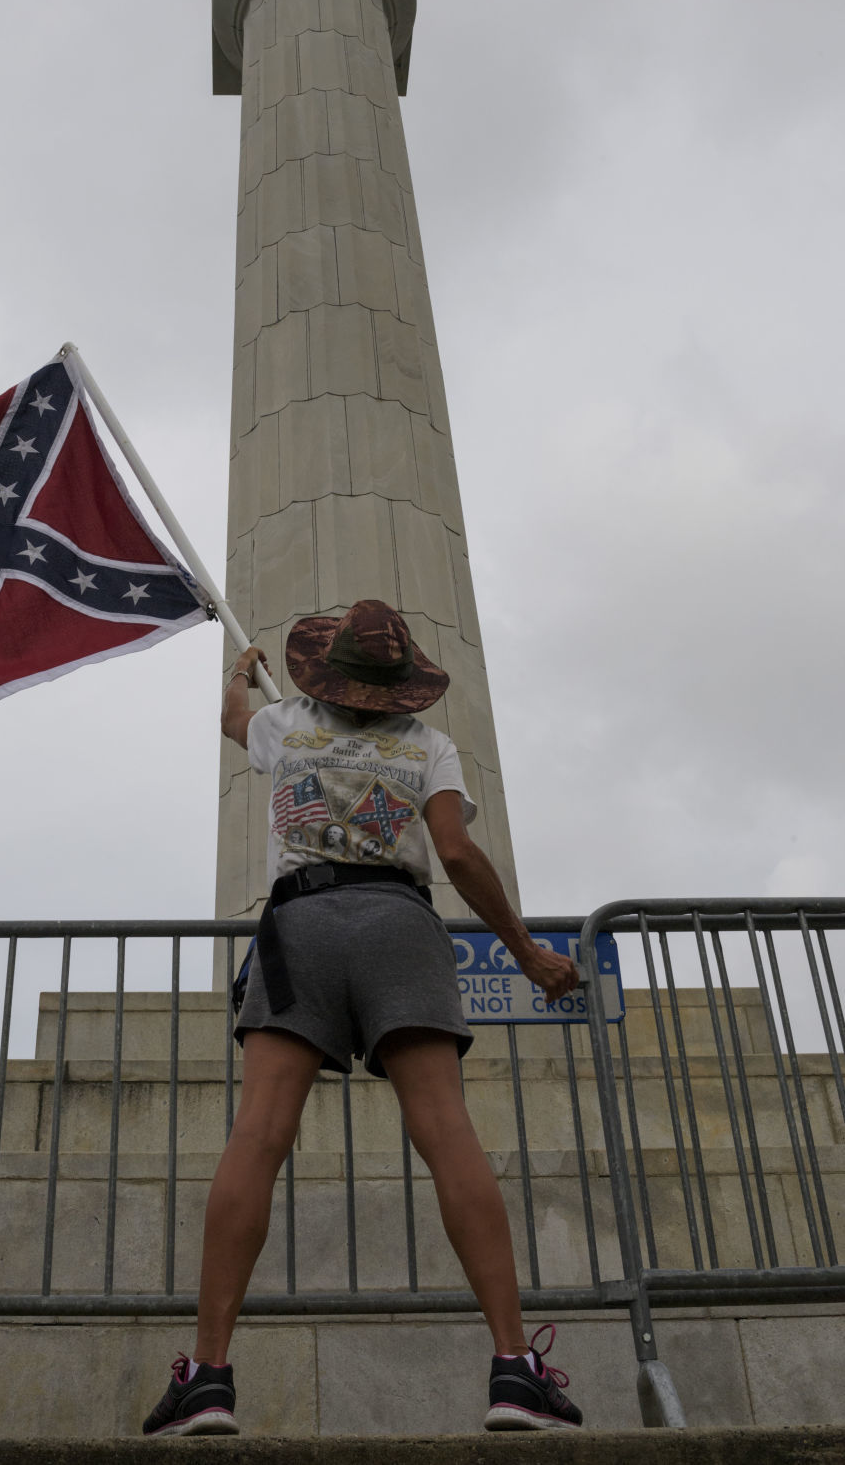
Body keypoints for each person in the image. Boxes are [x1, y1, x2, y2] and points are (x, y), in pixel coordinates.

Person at [142, 600, 584, 1437]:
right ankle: (513, 1368)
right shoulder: (428, 744)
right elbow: (453, 852)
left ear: (323, 669)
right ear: (399, 683)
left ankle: (206, 1376)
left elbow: (232, 720)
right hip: (398, 923)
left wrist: (237, 677)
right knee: (446, 1132)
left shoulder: (282, 724)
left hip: (299, 926)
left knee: (258, 1136)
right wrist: (526, 953)